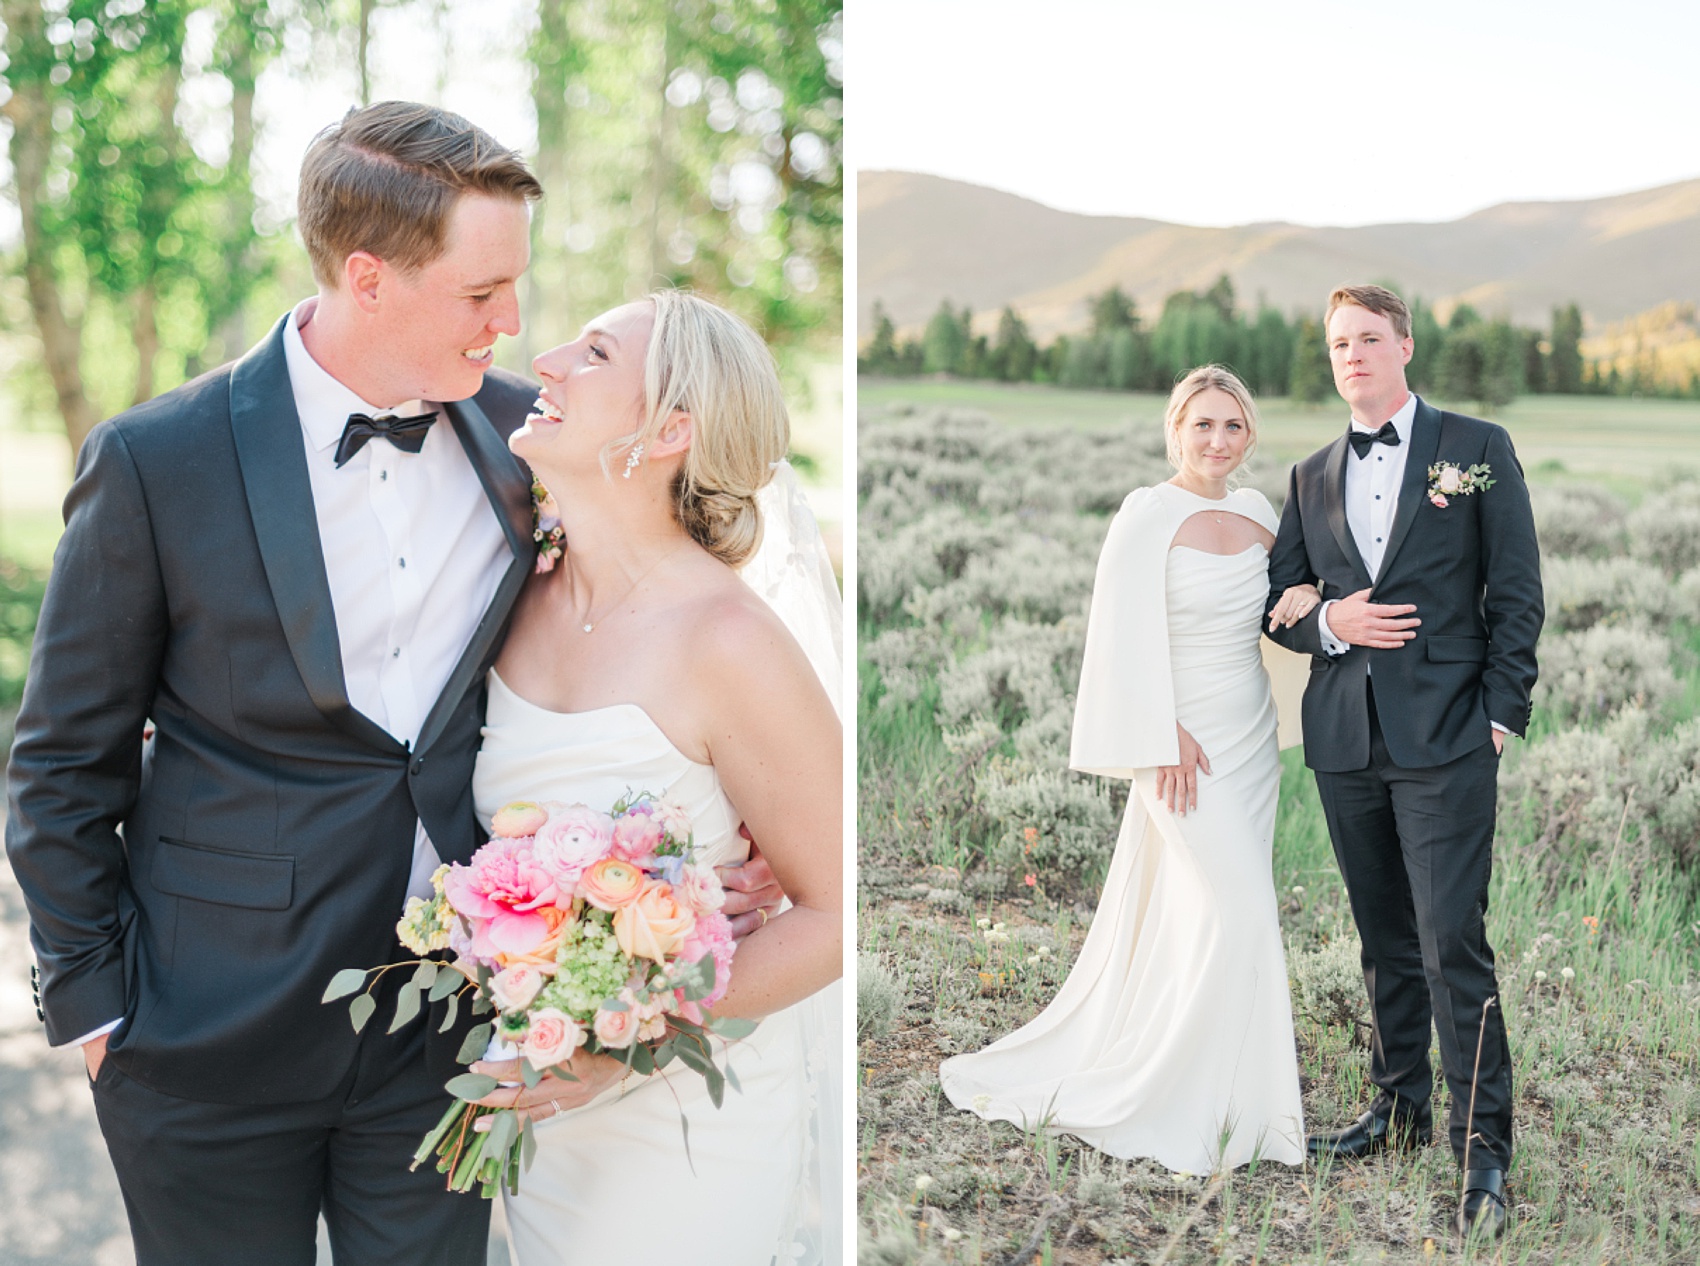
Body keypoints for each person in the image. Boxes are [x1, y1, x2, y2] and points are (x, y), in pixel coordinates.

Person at [3, 102, 781, 1266]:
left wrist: (717, 847)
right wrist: (99, 1011)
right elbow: (62, 764)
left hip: (449, 1032)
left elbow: (669, 622)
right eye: (481, 295)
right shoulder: (158, 460)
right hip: (201, 1036)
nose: (512, 323)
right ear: (368, 277)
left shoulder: (541, 441)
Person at [455, 290, 843, 1265]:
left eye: (590, 354)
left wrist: (624, 1041)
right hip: (549, 1115)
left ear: (669, 429)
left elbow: (837, 911)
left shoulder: (729, 643)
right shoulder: (514, 590)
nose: (542, 360)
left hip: (684, 1118)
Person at [940, 365, 1316, 1174]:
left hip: (1247, 738)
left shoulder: (1258, 512)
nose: (1218, 441)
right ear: (1176, 429)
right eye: (1203, 425)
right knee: (1244, 908)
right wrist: (1160, 734)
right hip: (1176, 743)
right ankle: (1170, 1090)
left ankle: (1237, 1100)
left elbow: (1287, 596)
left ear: (1250, 436)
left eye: (1234, 427)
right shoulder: (1147, 514)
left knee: (1210, 914)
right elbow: (1115, 638)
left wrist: (1308, 590)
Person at [1264, 284, 1542, 1237]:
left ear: (1406, 345)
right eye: (1339, 342)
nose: (1353, 354)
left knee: (1450, 945)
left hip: (1451, 740)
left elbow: (1516, 589)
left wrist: (1501, 715)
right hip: (1345, 742)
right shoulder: (1307, 476)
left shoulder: (1478, 448)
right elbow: (1282, 608)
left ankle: (1482, 1154)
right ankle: (1399, 1106)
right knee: (1384, 941)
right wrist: (1330, 623)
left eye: (1369, 338)